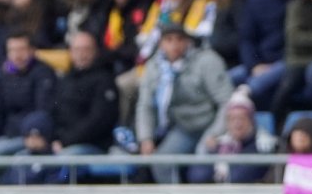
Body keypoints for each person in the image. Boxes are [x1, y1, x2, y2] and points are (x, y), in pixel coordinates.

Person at [135, 21, 234, 184]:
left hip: (205, 123)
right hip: (175, 126)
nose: (175, 45)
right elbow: (145, 105)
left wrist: (214, 133)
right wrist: (145, 138)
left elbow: (227, 101)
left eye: (179, 39)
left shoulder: (206, 61)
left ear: (188, 41)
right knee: (156, 163)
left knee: (196, 168)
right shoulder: (154, 67)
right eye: (169, 40)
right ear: (161, 44)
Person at [0, 32, 58, 156]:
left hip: (34, 136)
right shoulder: (1, 75)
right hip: (8, 134)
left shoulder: (44, 73)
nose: (17, 55)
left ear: (32, 50)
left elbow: (43, 110)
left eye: (21, 49)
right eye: (12, 50)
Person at [53, 32, 118, 155]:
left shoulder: (105, 80)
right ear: (70, 52)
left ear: (96, 52)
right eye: (77, 49)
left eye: (86, 49)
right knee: (24, 158)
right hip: (61, 143)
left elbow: (98, 121)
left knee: (63, 160)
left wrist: (65, 141)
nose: (81, 54)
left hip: (92, 146)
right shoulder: (65, 79)